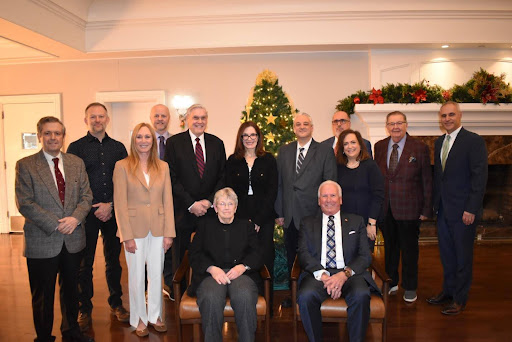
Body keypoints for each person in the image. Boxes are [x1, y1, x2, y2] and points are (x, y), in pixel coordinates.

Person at [15, 116, 94, 342]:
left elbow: (86, 196)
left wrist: (75, 219)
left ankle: (71, 332)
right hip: (42, 240)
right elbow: (25, 203)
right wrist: (56, 223)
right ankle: (43, 337)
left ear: (63, 136)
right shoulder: (26, 165)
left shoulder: (75, 163)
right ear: (40, 135)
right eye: (47, 133)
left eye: (57, 133)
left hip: (73, 239)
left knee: (71, 292)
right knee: (43, 295)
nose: (53, 138)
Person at [67, 102, 129, 330]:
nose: (97, 120)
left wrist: (110, 205)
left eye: (101, 116)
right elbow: (73, 184)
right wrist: (94, 206)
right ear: (86, 120)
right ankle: (85, 308)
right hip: (87, 213)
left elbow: (126, 181)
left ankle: (116, 303)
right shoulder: (75, 148)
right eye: (92, 117)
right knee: (86, 263)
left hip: (113, 211)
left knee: (114, 261)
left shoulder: (119, 148)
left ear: (107, 119)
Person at [296, 181, 379, 342]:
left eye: (333, 195)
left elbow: (364, 256)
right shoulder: (307, 223)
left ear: (340, 199)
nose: (328, 200)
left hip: (350, 274)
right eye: (324, 196)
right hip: (319, 274)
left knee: (361, 295)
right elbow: (303, 254)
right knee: (306, 296)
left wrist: (344, 274)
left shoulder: (356, 221)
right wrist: (325, 276)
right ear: (318, 200)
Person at [113, 123, 176, 336]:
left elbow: (168, 201)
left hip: (158, 228)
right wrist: (126, 235)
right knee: (137, 276)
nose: (143, 141)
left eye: (147, 137)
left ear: (153, 140)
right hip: (134, 229)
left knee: (156, 274)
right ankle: (139, 318)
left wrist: (169, 232)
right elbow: (120, 204)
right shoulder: (122, 166)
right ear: (134, 140)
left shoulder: (163, 166)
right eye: (139, 137)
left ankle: (155, 315)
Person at [427, 101, 487, 315]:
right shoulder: (439, 142)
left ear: (460, 115)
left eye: (451, 114)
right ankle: (448, 291)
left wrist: (471, 208)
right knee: (447, 255)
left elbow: (479, 178)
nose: (447, 119)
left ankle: (460, 299)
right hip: (443, 210)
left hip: (464, 212)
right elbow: (439, 178)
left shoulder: (473, 141)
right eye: (443, 116)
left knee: (463, 257)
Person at [275, 112, 337, 307]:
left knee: (313, 256)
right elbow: (280, 184)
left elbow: (330, 182)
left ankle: (311, 294)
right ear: (294, 128)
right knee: (293, 256)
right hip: (290, 215)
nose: (301, 127)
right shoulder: (284, 151)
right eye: (298, 124)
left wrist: (326, 212)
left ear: (312, 127)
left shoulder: (324, 150)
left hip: (314, 215)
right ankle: (294, 296)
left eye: (305, 124)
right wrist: (280, 212)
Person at [188, 187, 263, 342]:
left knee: (244, 295)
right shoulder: (204, 226)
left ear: (236, 207)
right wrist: (212, 268)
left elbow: (257, 254)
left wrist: (242, 267)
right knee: (211, 297)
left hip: (241, 274)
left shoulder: (247, 226)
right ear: (215, 208)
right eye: (222, 204)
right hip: (211, 275)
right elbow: (194, 254)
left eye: (230, 204)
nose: (227, 207)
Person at [374, 111, 433, 303]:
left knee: (409, 250)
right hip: (386, 209)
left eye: (399, 123)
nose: (395, 127)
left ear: (406, 125)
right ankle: (391, 282)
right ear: (387, 126)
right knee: (390, 248)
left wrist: (426, 209)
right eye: (391, 123)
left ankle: (410, 286)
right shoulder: (380, 146)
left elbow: (426, 180)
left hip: (410, 209)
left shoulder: (420, 148)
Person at [164, 104, 226, 281]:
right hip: (183, 212)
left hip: (210, 213)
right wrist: (191, 203)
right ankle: (179, 296)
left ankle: (206, 291)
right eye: (196, 118)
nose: (200, 121)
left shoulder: (217, 143)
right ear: (187, 120)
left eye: (203, 118)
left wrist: (208, 201)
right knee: (180, 260)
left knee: (210, 255)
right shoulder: (174, 143)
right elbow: (171, 177)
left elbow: (223, 176)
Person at [225, 121, 278, 310]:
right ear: (241, 138)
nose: (249, 139)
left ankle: (268, 305)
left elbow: (272, 192)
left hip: (263, 217)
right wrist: (244, 221)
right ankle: (245, 302)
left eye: (253, 135)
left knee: (265, 257)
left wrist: (257, 220)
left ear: (258, 138)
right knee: (242, 257)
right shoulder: (233, 160)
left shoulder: (269, 160)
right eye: (245, 136)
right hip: (239, 217)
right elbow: (229, 191)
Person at [336, 129, 384, 252]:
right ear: (342, 148)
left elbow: (378, 196)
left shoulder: (370, 165)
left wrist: (372, 224)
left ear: (360, 145)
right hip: (344, 223)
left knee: (364, 260)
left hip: (366, 223)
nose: (350, 146)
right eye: (346, 144)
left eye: (353, 142)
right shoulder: (338, 167)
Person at [149, 103, 174, 298]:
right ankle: (149, 289)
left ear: (168, 119)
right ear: (151, 118)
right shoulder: (144, 142)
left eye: (163, 116)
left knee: (169, 245)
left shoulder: (176, 142)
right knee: (148, 247)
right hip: (148, 204)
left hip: (172, 201)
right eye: (156, 115)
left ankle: (170, 286)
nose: (160, 119)